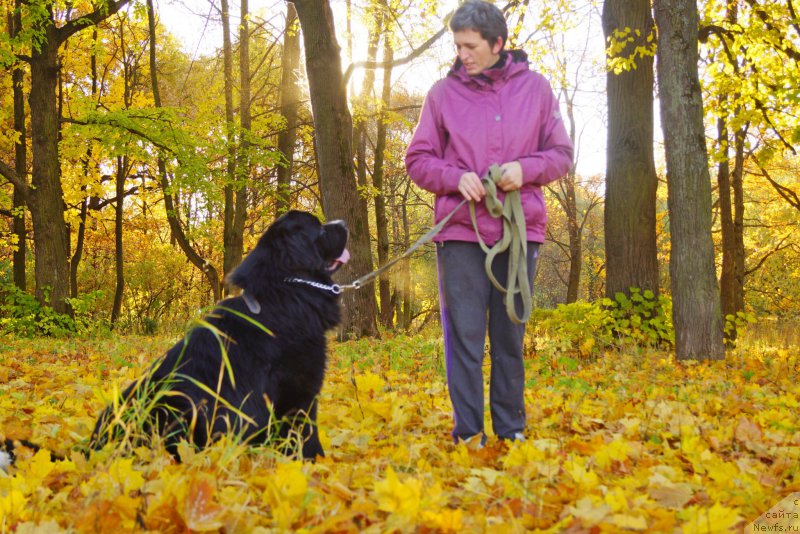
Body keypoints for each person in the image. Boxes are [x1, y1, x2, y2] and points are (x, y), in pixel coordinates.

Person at [405, 0, 573, 446]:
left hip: (520, 234)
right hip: (460, 233)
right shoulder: (441, 95)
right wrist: (454, 178)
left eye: (471, 45)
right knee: (463, 335)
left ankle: (511, 431)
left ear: (498, 43)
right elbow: (418, 161)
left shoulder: (536, 89)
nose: (463, 54)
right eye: (458, 45)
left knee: (509, 336)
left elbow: (562, 155)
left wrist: (527, 170)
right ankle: (468, 433)